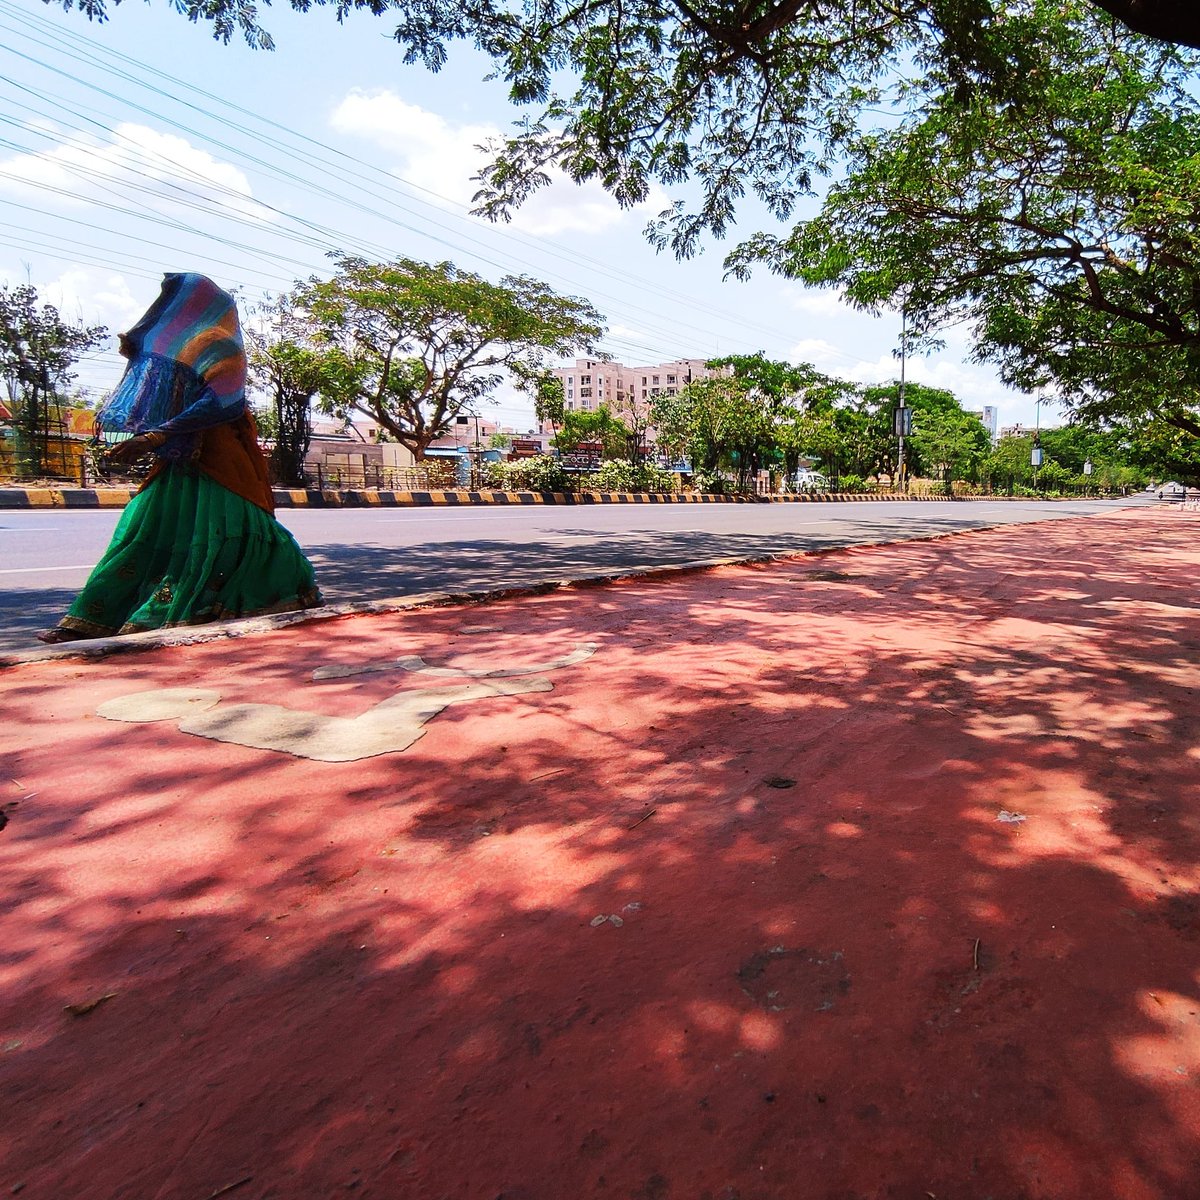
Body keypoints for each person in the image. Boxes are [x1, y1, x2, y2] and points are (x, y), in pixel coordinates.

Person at [38, 272, 322, 644]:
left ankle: (210, 610)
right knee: (141, 533)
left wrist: (155, 436)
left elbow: (222, 403)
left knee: (229, 534)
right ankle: (90, 619)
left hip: (222, 461)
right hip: (177, 460)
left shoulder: (223, 346)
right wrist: (154, 438)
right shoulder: (182, 348)